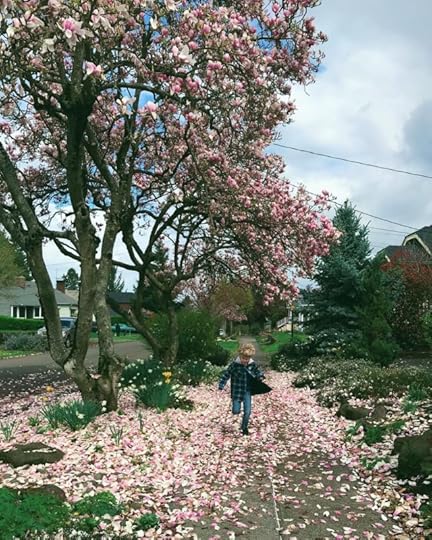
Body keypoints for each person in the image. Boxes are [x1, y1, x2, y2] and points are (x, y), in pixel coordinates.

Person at [218, 343, 265, 435]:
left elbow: (258, 372)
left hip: (247, 391)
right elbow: (226, 374)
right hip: (237, 391)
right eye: (243, 358)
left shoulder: (252, 365)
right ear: (240, 356)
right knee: (236, 411)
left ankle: (244, 427)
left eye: (247, 359)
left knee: (248, 411)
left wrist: (260, 376)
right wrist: (222, 384)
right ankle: (236, 409)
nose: (245, 361)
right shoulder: (234, 365)